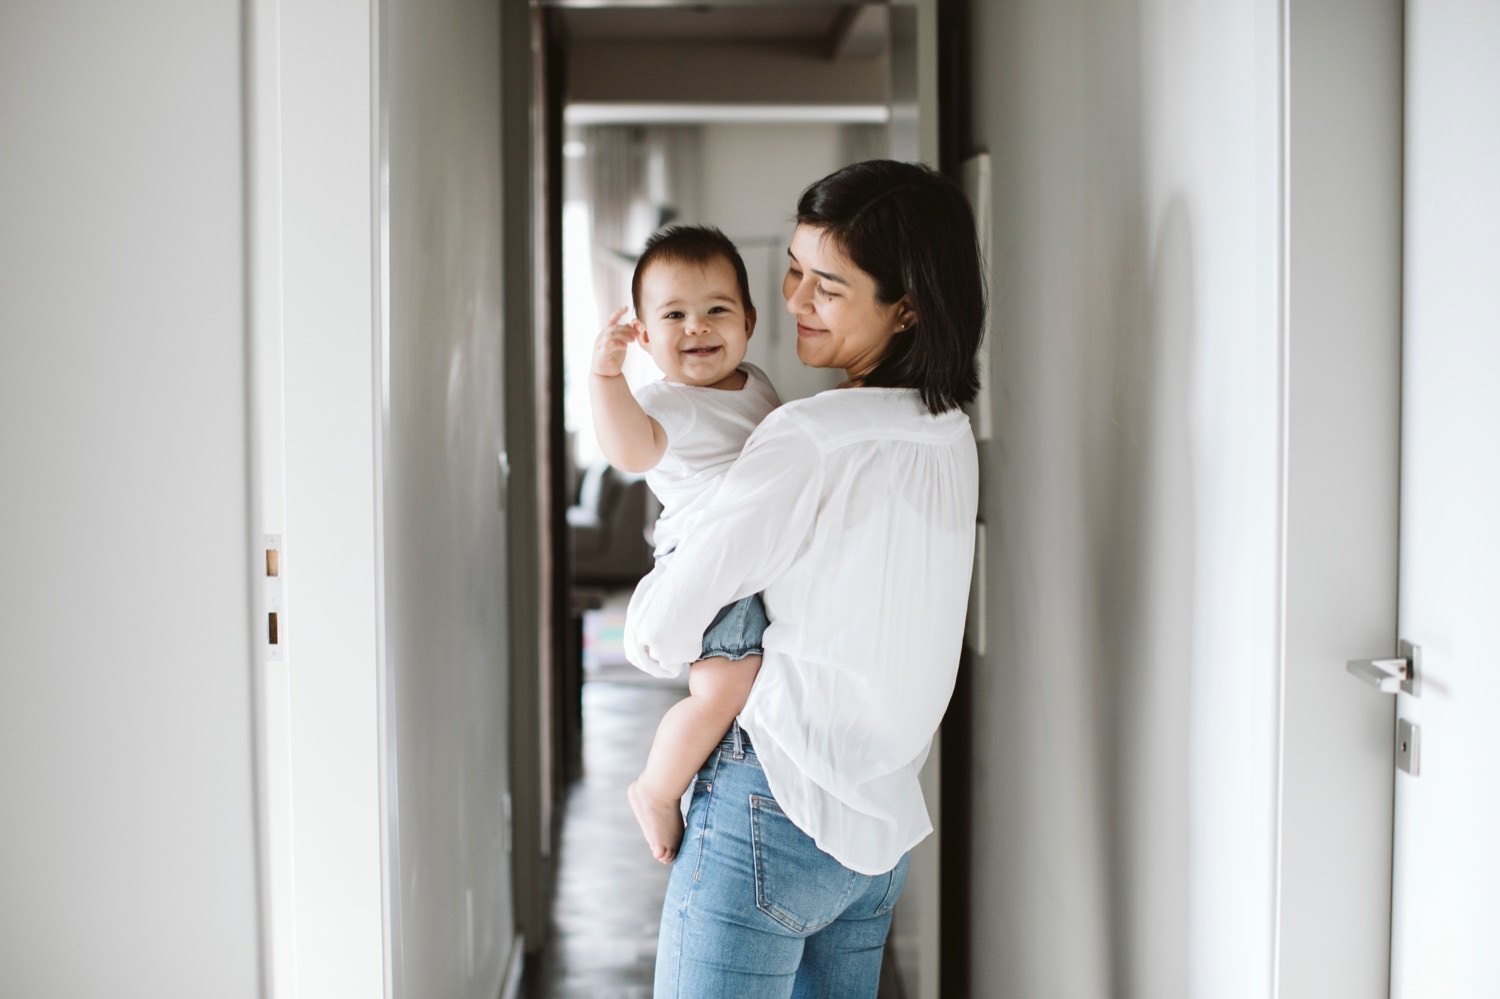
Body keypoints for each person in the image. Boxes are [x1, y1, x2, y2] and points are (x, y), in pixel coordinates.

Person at [624, 160, 984, 997]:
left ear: (908, 306)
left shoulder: (809, 436)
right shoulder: (948, 433)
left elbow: (654, 635)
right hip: (875, 838)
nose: (792, 300)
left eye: (827, 285)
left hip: (768, 805)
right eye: (792, 269)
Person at [589, 224, 783, 864]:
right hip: (710, 572)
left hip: (752, 563)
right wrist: (606, 377)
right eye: (674, 315)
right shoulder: (663, 404)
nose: (697, 327)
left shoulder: (753, 384)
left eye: (716, 310)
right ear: (644, 335)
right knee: (722, 690)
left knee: (754, 680)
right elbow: (628, 449)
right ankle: (656, 787)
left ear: (749, 322)